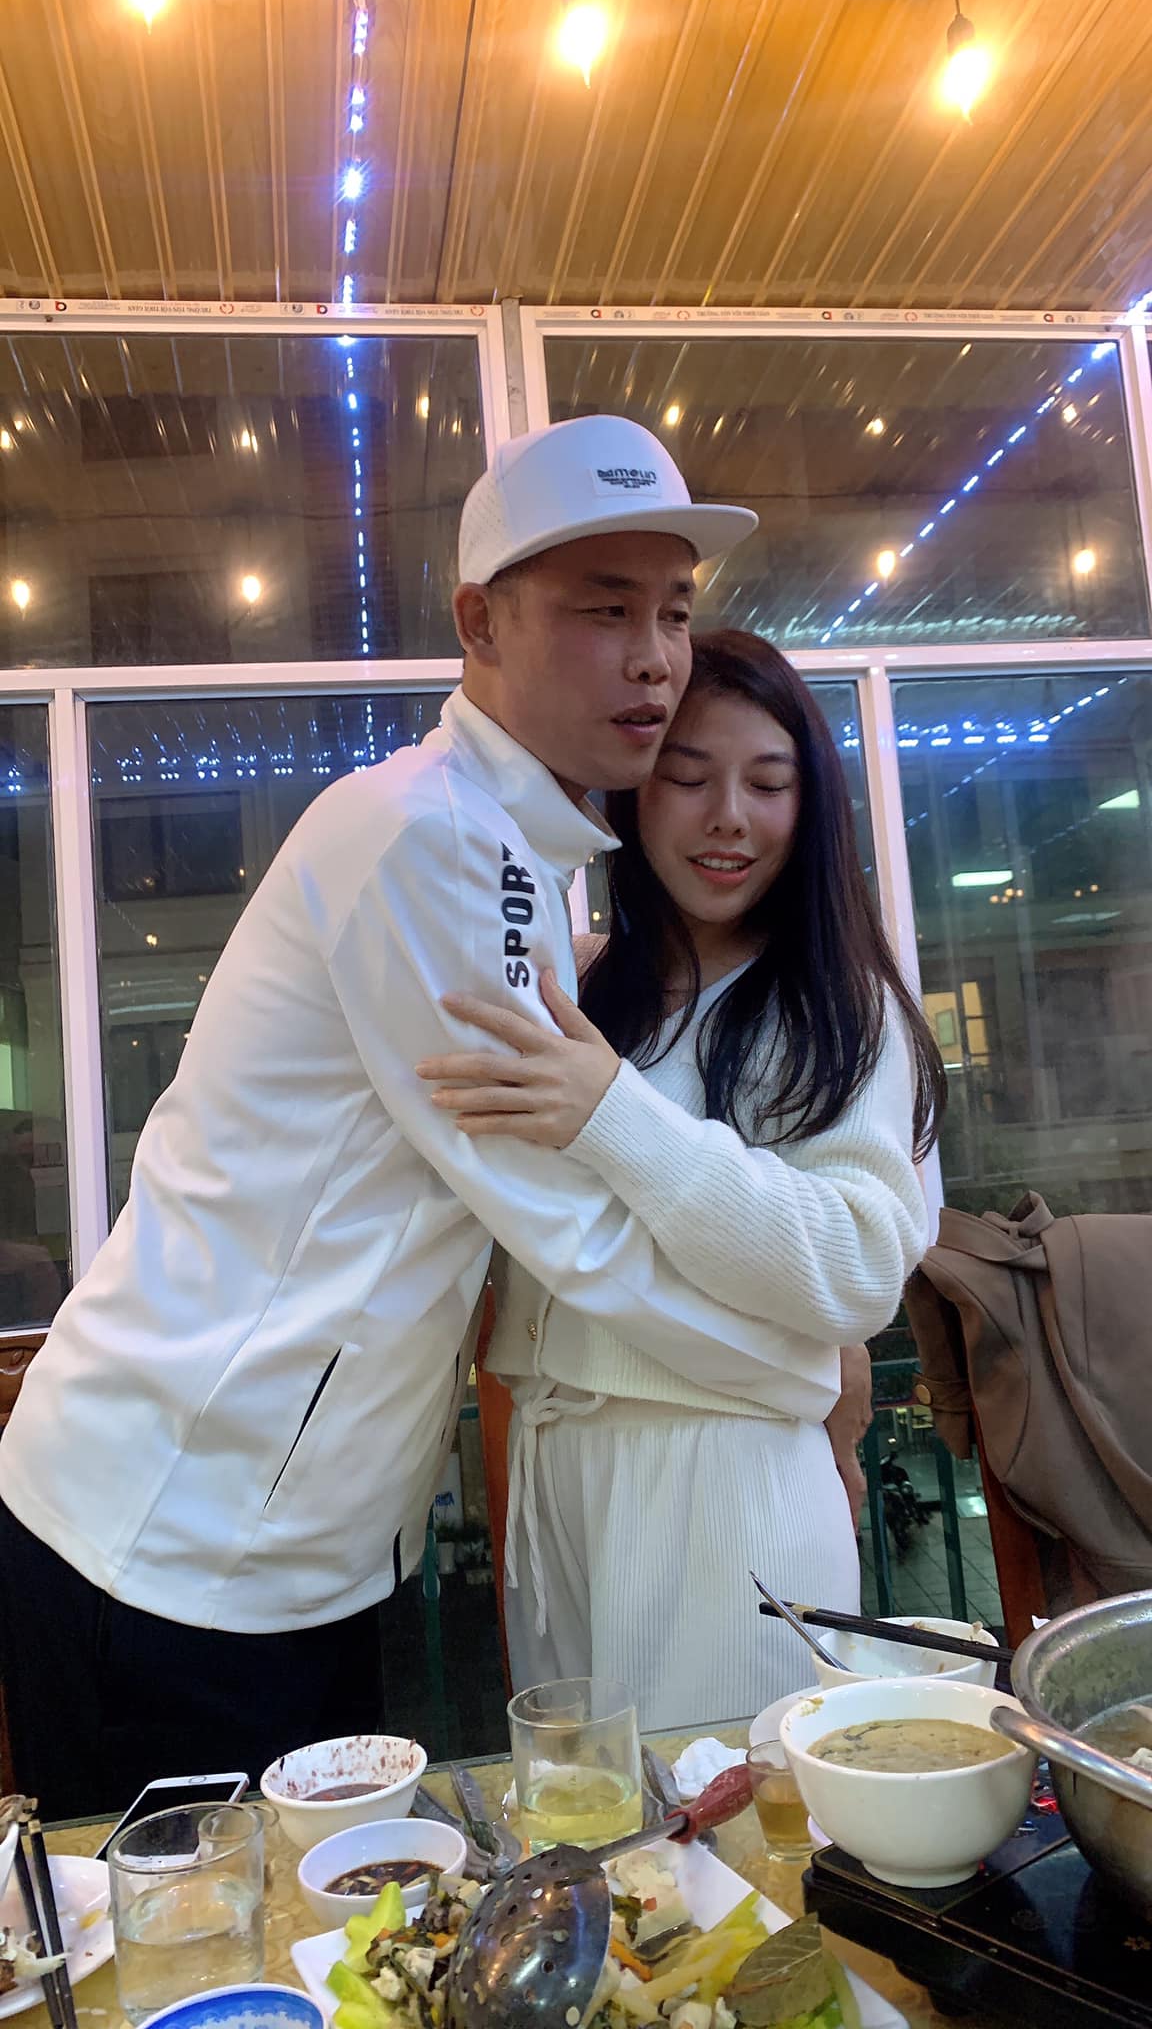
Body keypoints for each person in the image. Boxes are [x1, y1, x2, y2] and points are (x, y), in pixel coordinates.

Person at [0, 411, 780, 1817]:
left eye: (673, 610)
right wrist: (798, 1360)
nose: (657, 658)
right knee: (197, 1932)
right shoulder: (431, 838)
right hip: (173, 1535)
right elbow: (567, 1228)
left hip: (295, 1536)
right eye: (604, 609)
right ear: (479, 621)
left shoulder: (518, 853)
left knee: (322, 1918)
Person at [417, 629, 947, 1726]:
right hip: (558, 1464)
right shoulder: (588, 985)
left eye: (769, 783)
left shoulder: (841, 1007)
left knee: (733, 1814)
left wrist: (616, 1115)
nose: (728, 818)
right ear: (632, 792)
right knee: (594, 1811)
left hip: (727, 1479)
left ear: (812, 805)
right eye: (688, 777)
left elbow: (857, 1266)